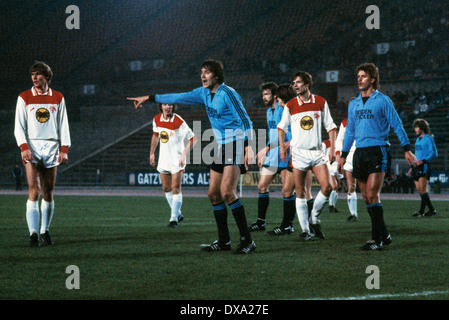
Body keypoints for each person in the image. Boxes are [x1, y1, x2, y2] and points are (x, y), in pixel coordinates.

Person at [128, 59, 256, 254]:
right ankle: (224, 241)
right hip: (221, 145)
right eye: (201, 72)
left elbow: (246, 120)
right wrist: (149, 97)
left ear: (217, 75)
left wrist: (248, 147)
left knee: (227, 193)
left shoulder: (228, 94)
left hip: (235, 143)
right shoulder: (203, 93)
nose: (203, 76)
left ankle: (247, 240)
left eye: (207, 72)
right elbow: (177, 97)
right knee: (213, 195)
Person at [338, 63, 416, 251]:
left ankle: (376, 239)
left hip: (378, 150)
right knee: (366, 197)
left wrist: (407, 148)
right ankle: (385, 235)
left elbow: (397, 124)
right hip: (360, 153)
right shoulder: (353, 103)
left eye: (363, 76)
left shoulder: (383, 101)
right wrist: (343, 155)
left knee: (373, 194)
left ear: (372, 79)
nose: (359, 79)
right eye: (358, 76)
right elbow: (350, 132)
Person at [14, 61, 71, 247]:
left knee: (48, 192)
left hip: (52, 147)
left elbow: (64, 125)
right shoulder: (24, 97)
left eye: (38, 74)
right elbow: (19, 127)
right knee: (34, 191)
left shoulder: (58, 97)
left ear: (47, 76)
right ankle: (33, 234)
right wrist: (24, 147)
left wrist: (64, 149)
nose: (34, 78)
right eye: (32, 74)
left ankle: (45, 231)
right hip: (32, 148)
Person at [278, 71, 337, 242]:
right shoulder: (290, 105)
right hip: (298, 154)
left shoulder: (320, 102)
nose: (295, 85)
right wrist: (282, 148)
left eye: (298, 82)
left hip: (317, 153)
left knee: (328, 187)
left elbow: (331, 127)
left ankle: (314, 218)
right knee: (301, 192)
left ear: (307, 85)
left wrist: (332, 149)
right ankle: (305, 230)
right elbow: (281, 128)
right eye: (293, 82)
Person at [249, 82, 296, 235]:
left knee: (287, 191)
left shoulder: (284, 110)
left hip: (285, 152)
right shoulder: (269, 111)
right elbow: (274, 134)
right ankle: (261, 222)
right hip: (273, 152)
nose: (264, 97)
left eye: (267, 94)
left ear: (275, 95)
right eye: (263, 95)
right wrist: (267, 150)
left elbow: (287, 135)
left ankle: (288, 224)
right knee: (262, 186)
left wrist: (267, 148)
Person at [150, 103, 197, 227]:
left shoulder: (178, 121)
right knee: (166, 188)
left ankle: (173, 219)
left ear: (173, 107)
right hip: (164, 159)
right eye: (165, 104)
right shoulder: (156, 119)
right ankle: (178, 213)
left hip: (177, 160)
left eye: (170, 105)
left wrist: (183, 154)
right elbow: (155, 136)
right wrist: (152, 153)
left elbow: (193, 139)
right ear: (161, 106)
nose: (168, 107)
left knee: (175, 188)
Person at [408, 119, 438, 217]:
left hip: (424, 166)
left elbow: (434, 153)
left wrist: (424, 160)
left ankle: (424, 211)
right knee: (420, 190)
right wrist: (412, 167)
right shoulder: (417, 139)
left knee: (423, 189)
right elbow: (417, 154)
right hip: (416, 166)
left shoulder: (428, 139)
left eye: (417, 127)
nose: (415, 129)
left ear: (422, 128)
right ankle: (429, 210)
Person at [335, 114, 358, 222]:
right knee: (351, 185)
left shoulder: (365, 120)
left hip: (361, 156)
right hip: (348, 157)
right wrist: (339, 156)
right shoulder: (345, 122)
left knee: (366, 187)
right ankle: (354, 214)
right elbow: (339, 140)